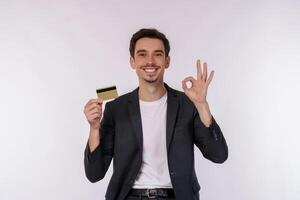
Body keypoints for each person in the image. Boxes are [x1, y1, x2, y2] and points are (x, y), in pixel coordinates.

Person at [83, 28, 228, 200]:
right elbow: (94, 174)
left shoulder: (187, 104)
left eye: (157, 54)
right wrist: (94, 129)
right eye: (142, 54)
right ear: (132, 62)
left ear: (167, 61)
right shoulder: (116, 108)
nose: (150, 61)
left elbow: (219, 155)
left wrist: (202, 105)